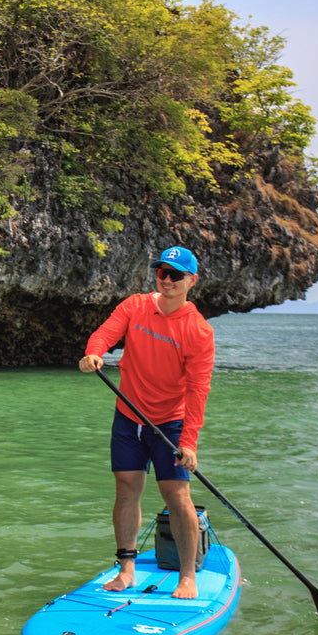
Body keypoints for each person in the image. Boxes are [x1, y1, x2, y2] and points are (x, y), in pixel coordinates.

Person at [78, 246, 215, 599]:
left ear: (192, 281)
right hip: (129, 415)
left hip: (170, 422)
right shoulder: (135, 306)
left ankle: (188, 577)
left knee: (176, 494)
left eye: (175, 275)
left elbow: (198, 389)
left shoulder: (198, 330)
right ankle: (126, 570)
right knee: (126, 488)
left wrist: (189, 442)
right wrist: (94, 352)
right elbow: (105, 333)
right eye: (162, 273)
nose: (166, 280)